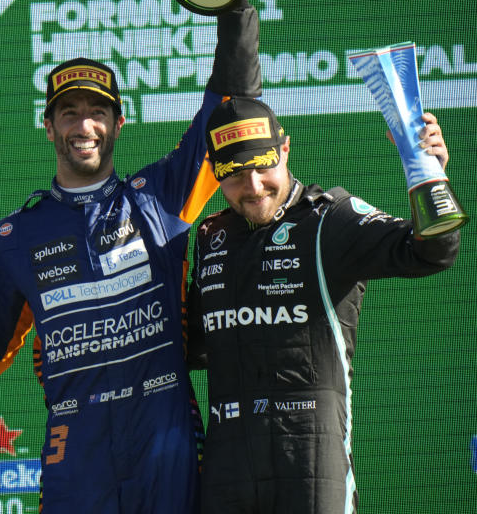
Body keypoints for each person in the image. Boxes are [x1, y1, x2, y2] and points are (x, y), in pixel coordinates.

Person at [0, 0, 267, 514]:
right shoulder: (13, 237)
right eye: (69, 113)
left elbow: (230, 99)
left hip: (165, 441)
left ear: (117, 122)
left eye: (96, 113)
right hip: (74, 453)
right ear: (48, 126)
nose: (83, 126)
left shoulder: (162, 194)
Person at [187, 97, 460, 513]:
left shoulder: (330, 219)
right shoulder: (212, 238)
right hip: (229, 472)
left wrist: (430, 175)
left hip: (312, 465)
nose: (254, 185)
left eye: (263, 164)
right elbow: (197, 347)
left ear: (285, 149)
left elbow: (433, 251)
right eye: (235, 174)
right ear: (215, 172)